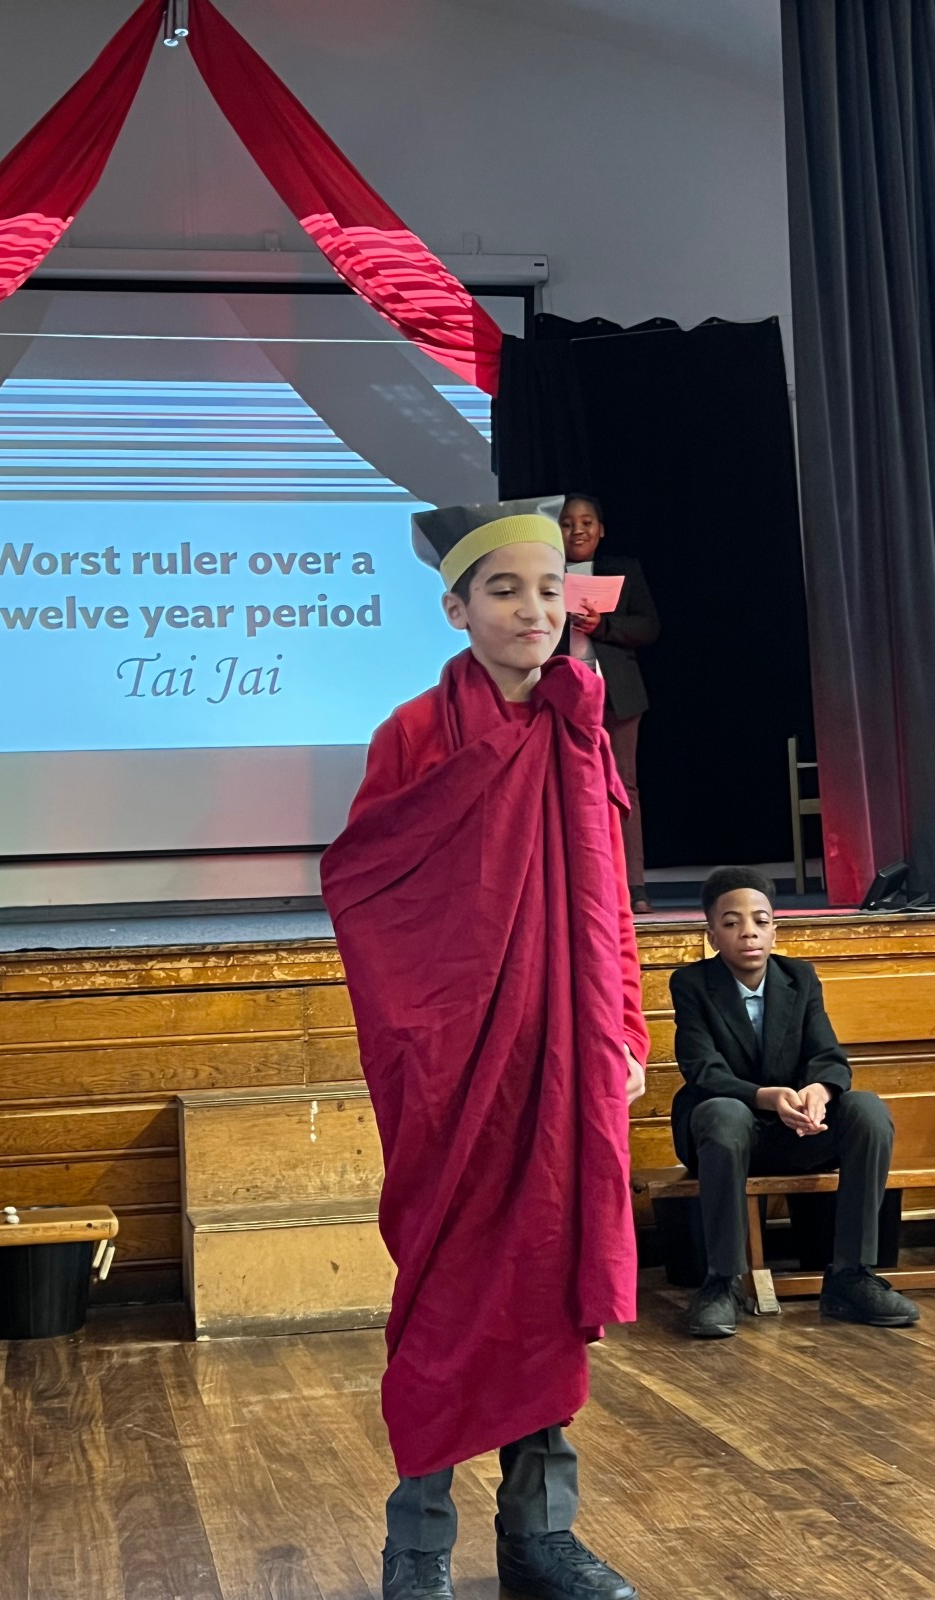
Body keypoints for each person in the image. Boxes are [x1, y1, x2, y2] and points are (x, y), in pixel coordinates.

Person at [322, 498, 648, 1600]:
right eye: (505, 590)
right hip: (452, 1062)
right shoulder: (413, 733)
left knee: (547, 1274)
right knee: (450, 1288)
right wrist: (428, 1030)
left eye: (549, 589)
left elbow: (606, 898)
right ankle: (417, 1543)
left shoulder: (578, 723)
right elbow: (368, 892)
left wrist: (623, 1025)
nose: (533, 610)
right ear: (457, 609)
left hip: (562, 1049)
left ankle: (539, 1535)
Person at [671, 866, 919, 1338]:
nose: (748, 932)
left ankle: (851, 1276)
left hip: (795, 1130)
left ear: (774, 930)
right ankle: (722, 1283)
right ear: (712, 935)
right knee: (725, 1113)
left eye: (760, 921)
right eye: (732, 922)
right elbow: (703, 1071)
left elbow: (829, 1057)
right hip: (724, 1134)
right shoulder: (692, 984)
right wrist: (766, 1097)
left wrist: (818, 1093)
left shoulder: (799, 977)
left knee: (867, 1111)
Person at [557, 493, 659, 914]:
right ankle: (573, 886)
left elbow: (648, 626)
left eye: (586, 522)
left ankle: (632, 887)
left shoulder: (623, 570)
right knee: (563, 788)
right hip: (561, 697)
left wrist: (603, 625)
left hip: (617, 695)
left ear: (601, 530)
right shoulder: (543, 573)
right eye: (567, 523)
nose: (577, 530)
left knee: (622, 787)